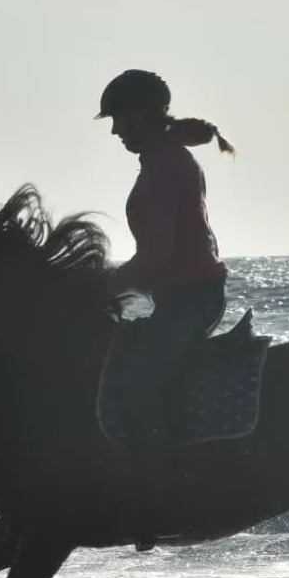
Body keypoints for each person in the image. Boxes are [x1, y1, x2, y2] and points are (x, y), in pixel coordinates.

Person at [97, 69, 236, 550]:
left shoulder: (164, 165)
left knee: (140, 387)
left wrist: (104, 287)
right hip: (181, 294)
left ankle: (161, 498)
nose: (115, 131)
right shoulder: (164, 157)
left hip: (189, 297)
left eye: (118, 119)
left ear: (141, 115)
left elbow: (156, 255)